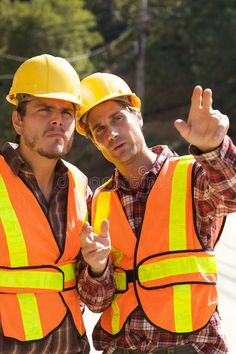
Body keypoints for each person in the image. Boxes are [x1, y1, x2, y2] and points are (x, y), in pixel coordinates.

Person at [76, 72, 236, 353]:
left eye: (117, 118)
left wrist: (213, 148)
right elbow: (96, 302)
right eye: (99, 129)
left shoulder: (191, 175)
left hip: (192, 346)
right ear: (94, 142)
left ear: (137, 117)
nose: (111, 133)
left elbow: (231, 194)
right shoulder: (99, 201)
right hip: (125, 347)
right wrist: (97, 269)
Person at [0, 55, 112, 354]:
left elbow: (93, 295)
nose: (57, 120)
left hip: (68, 342)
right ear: (18, 121)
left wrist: (98, 266)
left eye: (66, 112)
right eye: (44, 109)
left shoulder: (79, 184)